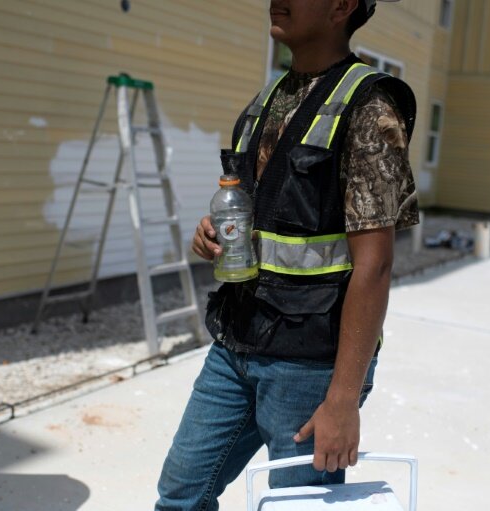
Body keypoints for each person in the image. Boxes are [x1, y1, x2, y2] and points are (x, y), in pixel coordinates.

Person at [155, 0, 419, 509]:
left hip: (309, 365)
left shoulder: (369, 109)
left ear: (342, 7)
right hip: (237, 342)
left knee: (297, 507)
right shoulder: (272, 96)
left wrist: (342, 401)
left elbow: (376, 265)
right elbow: (264, 209)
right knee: (180, 495)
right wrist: (215, 231)